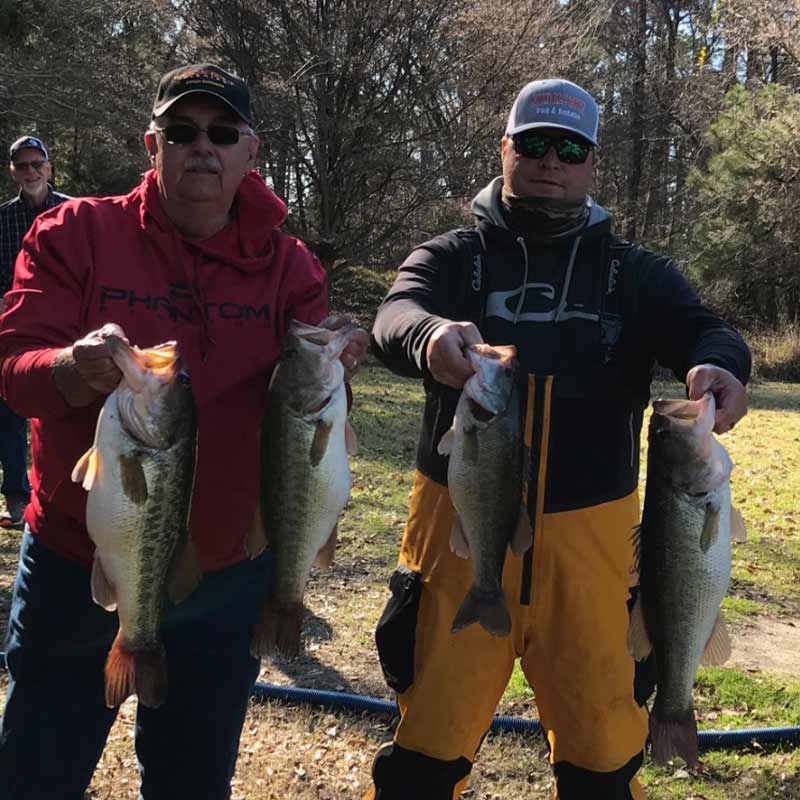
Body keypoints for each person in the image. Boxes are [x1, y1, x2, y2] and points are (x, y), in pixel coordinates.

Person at [365, 79, 750, 800]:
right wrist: (428, 335)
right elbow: (396, 313)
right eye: (535, 143)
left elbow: (705, 328)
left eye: (569, 148)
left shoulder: (635, 274)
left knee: (603, 762)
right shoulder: (452, 257)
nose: (551, 160)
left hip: (595, 550)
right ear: (504, 149)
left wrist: (719, 364)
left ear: (591, 163)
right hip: (460, 535)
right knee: (422, 761)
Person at [0, 64, 368, 799]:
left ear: (250, 153)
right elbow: (13, 365)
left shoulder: (289, 265)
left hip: (228, 575)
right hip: (84, 558)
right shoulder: (74, 232)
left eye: (222, 132)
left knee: (193, 781)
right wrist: (72, 367)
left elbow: (313, 402)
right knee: (35, 774)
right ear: (152, 144)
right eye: (183, 131)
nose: (203, 146)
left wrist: (342, 353)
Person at [0, 136, 69, 528]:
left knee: (62, 411)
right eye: (21, 165)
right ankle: (15, 495)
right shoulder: (2, 219)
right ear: (13, 172)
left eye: (36, 164)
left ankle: (60, 496)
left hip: (63, 329)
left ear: (48, 167)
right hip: (13, 330)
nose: (30, 171)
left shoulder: (74, 212)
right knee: (8, 414)